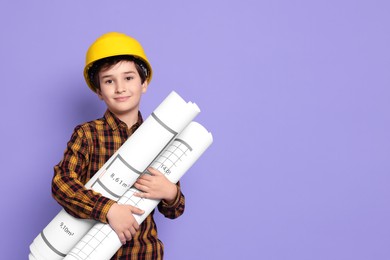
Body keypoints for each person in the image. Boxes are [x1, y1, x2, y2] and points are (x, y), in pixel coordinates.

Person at [52, 32, 185, 259]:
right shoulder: (87, 134)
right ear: (98, 91)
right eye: (109, 81)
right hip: (94, 253)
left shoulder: (161, 137)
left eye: (129, 78)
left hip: (146, 253)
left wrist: (171, 193)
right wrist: (108, 209)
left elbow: (174, 211)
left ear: (144, 83)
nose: (120, 88)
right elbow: (62, 183)